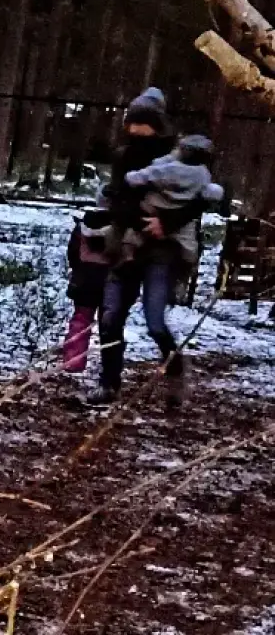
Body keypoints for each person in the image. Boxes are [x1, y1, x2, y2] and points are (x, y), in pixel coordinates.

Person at [88, 87, 197, 407]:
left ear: (158, 126)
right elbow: (119, 197)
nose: (136, 131)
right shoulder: (124, 156)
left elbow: (199, 200)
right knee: (109, 318)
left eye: (143, 124)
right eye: (132, 124)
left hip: (163, 249)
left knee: (154, 321)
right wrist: (122, 214)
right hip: (125, 245)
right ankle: (109, 384)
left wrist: (167, 223)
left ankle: (174, 364)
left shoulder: (181, 159)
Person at [64, 208, 112, 373]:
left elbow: (72, 253)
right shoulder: (119, 230)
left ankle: (73, 360)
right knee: (109, 325)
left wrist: (76, 270)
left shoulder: (82, 228)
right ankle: (109, 365)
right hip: (109, 282)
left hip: (84, 281)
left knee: (80, 321)